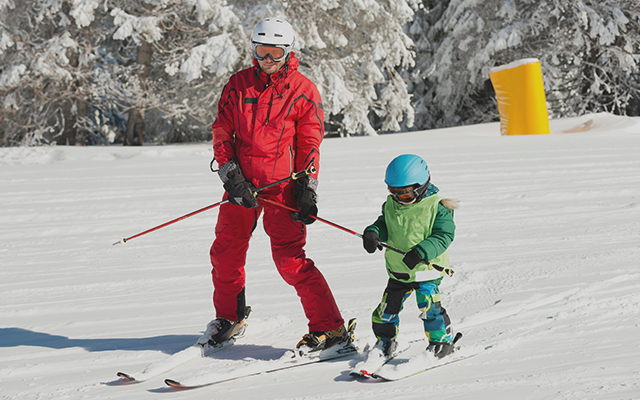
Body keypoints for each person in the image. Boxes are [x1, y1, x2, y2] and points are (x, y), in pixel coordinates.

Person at [202, 17, 346, 353]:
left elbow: (310, 142)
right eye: (262, 51)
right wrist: (231, 175)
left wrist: (306, 187)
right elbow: (222, 131)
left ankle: (331, 328)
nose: (267, 59)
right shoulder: (238, 85)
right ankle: (229, 317)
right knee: (225, 253)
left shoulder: (303, 89)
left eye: (275, 52)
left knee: (290, 260)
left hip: (283, 187)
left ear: (288, 52)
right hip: (242, 187)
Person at [362, 154, 457, 359]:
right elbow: (385, 223)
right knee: (386, 309)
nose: (398, 198)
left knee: (429, 307)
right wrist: (374, 233)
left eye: (404, 195)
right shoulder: (391, 204)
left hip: (426, 271)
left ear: (422, 186)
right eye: (393, 192)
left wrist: (422, 251)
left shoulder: (438, 207)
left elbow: (444, 236)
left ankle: (441, 342)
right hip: (399, 272)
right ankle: (385, 342)